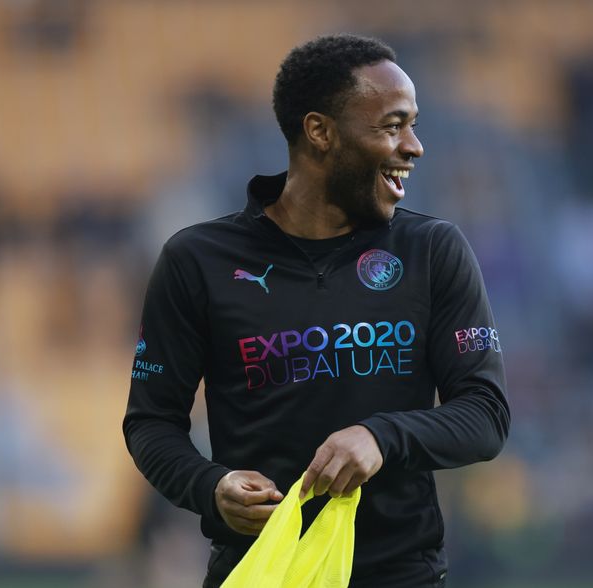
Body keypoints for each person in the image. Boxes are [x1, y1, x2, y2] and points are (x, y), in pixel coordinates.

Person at [123, 33, 510, 588]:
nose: (414, 145)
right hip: (260, 571)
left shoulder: (431, 251)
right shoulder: (197, 260)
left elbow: (486, 414)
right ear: (320, 132)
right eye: (392, 125)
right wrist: (210, 486)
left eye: (414, 124)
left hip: (401, 575)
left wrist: (381, 437)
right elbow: (151, 422)